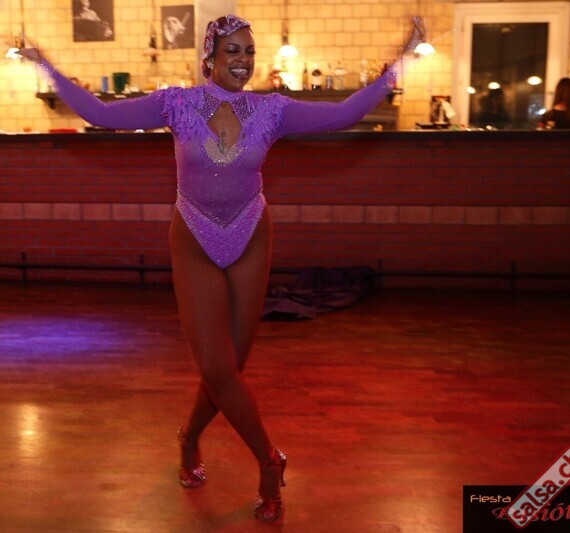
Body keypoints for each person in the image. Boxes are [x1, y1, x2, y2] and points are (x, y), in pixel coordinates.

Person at [21, 15, 420, 522]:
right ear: (209, 56)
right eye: (233, 51)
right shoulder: (176, 103)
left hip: (251, 236)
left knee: (229, 367)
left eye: (249, 52)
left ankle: (189, 438)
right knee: (215, 367)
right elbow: (100, 113)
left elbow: (343, 113)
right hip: (193, 237)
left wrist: (399, 62)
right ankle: (268, 460)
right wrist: (46, 67)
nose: (243, 60)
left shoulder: (272, 110)